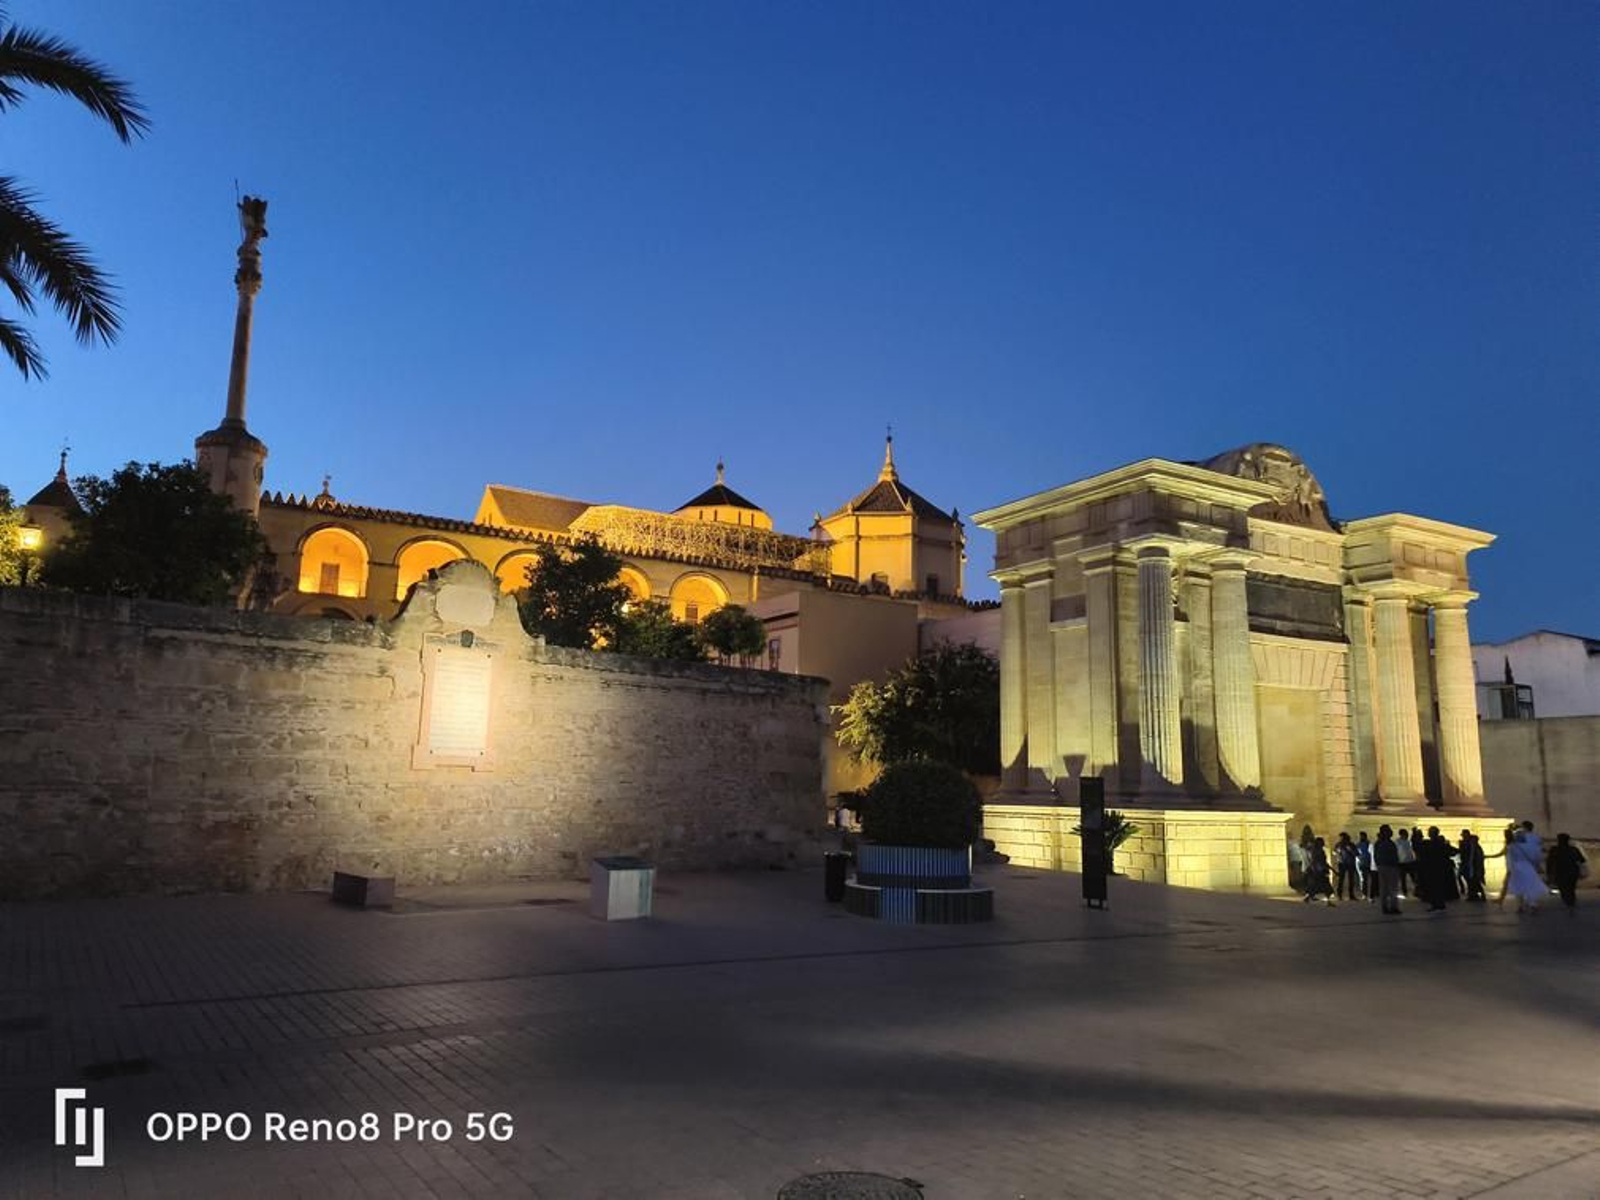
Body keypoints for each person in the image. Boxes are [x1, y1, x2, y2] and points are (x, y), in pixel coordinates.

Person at [1505, 821, 1546, 915]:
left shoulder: (1512, 846)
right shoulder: (1534, 840)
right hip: (1528, 866)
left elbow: (1511, 857)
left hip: (1517, 867)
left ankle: (1520, 906)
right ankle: (1532, 904)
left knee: (1519, 886)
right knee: (1530, 885)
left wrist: (1510, 868)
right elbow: (1537, 854)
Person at [1417, 827, 1458, 913]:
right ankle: (1438, 904)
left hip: (1435, 869)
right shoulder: (1438, 843)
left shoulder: (1432, 844)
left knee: (1435, 888)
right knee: (1436, 888)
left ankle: (1437, 904)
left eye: (1430, 832)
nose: (1428, 833)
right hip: (1437, 869)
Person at [1545, 833, 1587, 915]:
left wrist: (1549, 872)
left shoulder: (1554, 849)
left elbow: (1549, 862)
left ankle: (1568, 903)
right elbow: (1582, 860)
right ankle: (1571, 902)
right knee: (1571, 888)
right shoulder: (1573, 849)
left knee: (1563, 888)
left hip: (1560, 872)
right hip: (1573, 871)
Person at [1373, 825, 1402, 915]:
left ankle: (1385, 907)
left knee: (1384, 888)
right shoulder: (1387, 843)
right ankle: (1393, 907)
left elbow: (1376, 856)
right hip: (1390, 866)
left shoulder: (1379, 842)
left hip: (1383, 866)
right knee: (1392, 888)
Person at [1303, 836, 1335, 906]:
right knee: (1325, 886)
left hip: (1317, 870)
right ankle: (1328, 901)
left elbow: (1317, 861)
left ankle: (1308, 897)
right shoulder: (1319, 851)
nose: (1324, 843)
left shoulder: (1315, 851)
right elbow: (1320, 861)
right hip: (1320, 870)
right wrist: (1330, 869)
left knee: (1316, 886)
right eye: (1322, 842)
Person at [1459, 831, 1486, 902]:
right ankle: (1473, 895)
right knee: (1470, 880)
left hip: (1473, 866)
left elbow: (1477, 857)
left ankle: (1478, 894)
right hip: (1468, 865)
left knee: (1475, 880)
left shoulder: (1475, 847)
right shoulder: (1465, 844)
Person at [1334, 833, 1361, 901]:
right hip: (1342, 864)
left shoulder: (1351, 845)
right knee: (1341, 880)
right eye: (1341, 838)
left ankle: (1351, 895)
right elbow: (1334, 852)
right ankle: (1339, 895)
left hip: (1350, 864)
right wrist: (1337, 853)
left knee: (1351, 880)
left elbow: (1357, 853)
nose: (1341, 840)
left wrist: (1350, 850)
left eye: (1342, 838)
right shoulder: (1339, 844)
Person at [1395, 828, 1417, 899]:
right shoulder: (1397, 842)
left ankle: (1417, 890)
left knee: (1414, 877)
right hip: (1402, 863)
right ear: (1401, 834)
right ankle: (1405, 892)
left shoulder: (1408, 841)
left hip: (1410, 862)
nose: (1407, 835)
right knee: (1402, 879)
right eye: (1405, 834)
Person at [1355, 831, 1374, 901]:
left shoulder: (1369, 844)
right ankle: (1364, 894)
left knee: (1370, 879)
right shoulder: (1358, 845)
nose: (1361, 837)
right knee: (1363, 879)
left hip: (1369, 863)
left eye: (1362, 836)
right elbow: (1356, 853)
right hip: (1362, 863)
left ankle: (1371, 894)